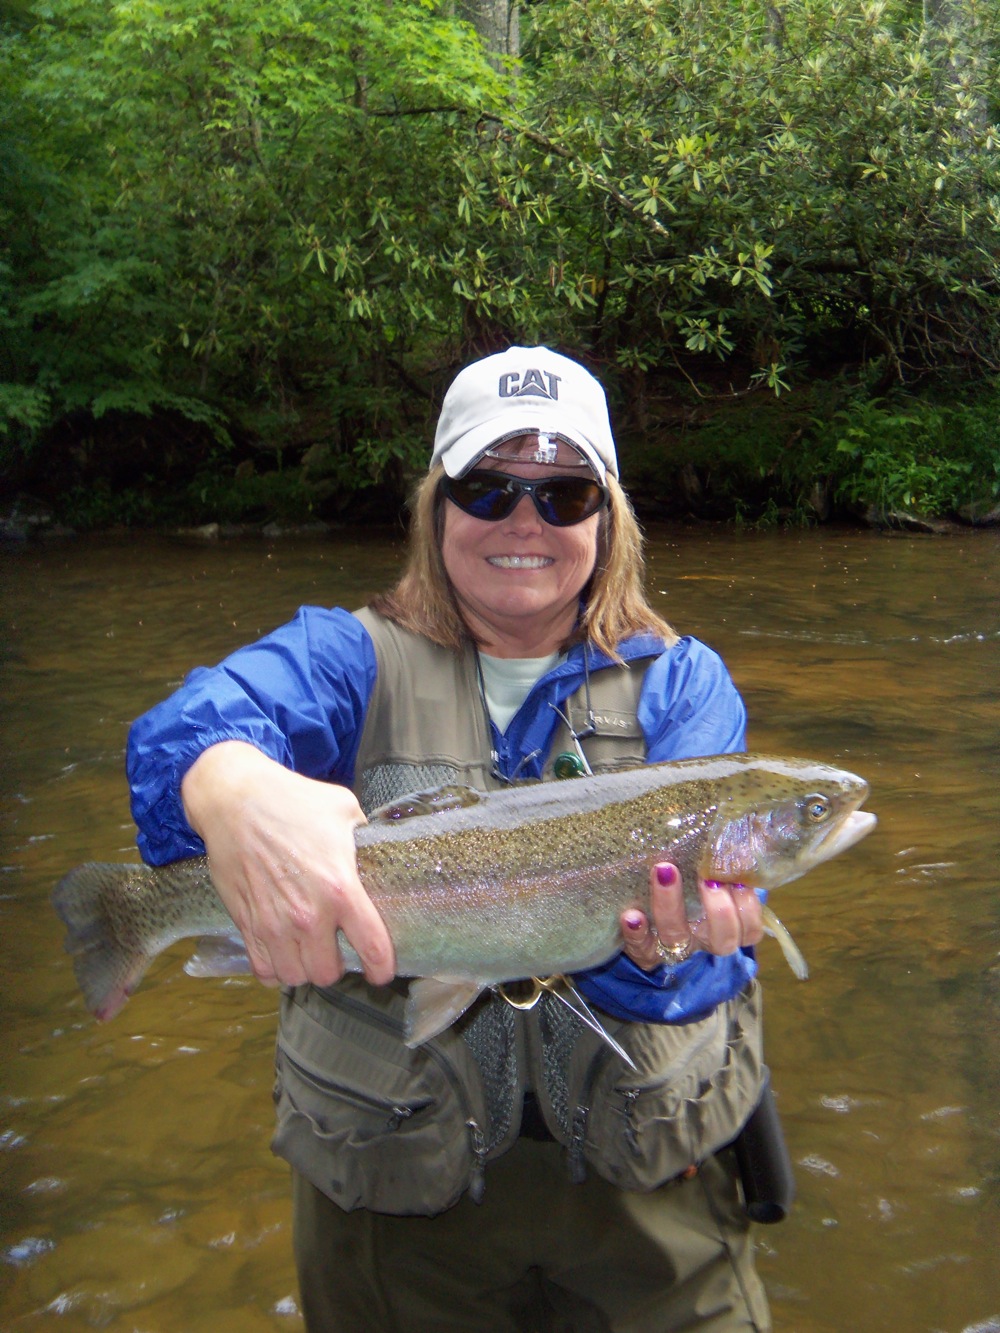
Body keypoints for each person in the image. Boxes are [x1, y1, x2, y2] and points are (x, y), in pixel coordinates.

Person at [127, 346, 774, 1332]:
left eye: (564, 494)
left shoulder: (682, 685)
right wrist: (228, 784)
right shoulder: (344, 659)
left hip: (649, 1188)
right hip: (391, 1202)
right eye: (489, 487)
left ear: (608, 520)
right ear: (438, 508)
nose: (526, 521)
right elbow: (193, 721)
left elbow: (700, 970)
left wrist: (669, 955)